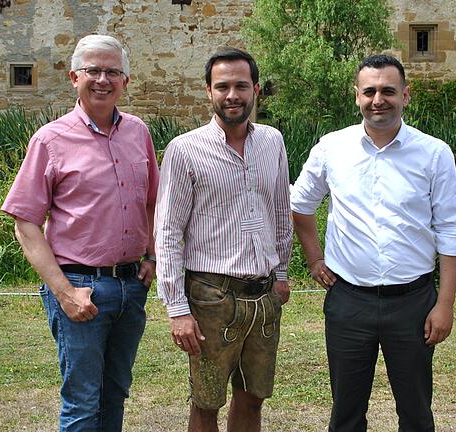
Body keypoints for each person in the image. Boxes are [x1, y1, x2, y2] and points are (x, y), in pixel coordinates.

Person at [290, 54, 456, 432]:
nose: (378, 100)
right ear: (356, 96)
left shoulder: (433, 153)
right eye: (369, 91)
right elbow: (299, 206)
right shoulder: (332, 148)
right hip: (349, 301)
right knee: (346, 413)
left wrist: (445, 304)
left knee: (417, 412)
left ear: (405, 95)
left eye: (388, 91)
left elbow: (453, 229)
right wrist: (314, 258)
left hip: (413, 303)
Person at [1, 34, 159, 431]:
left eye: (112, 71)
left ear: (126, 80)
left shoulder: (138, 133)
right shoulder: (50, 139)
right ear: (74, 77)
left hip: (130, 287)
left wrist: (153, 255)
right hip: (80, 287)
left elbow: (154, 203)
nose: (102, 79)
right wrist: (64, 292)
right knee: (83, 403)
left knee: (115, 395)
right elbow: (25, 222)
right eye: (93, 70)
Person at [154, 47, 292, 432]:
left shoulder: (273, 142)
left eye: (241, 86)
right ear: (208, 92)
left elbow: (281, 211)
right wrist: (177, 308)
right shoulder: (185, 150)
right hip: (210, 296)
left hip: (263, 296)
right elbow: (167, 231)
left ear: (256, 90)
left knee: (253, 398)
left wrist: (280, 272)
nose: (232, 95)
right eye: (223, 86)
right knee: (206, 402)